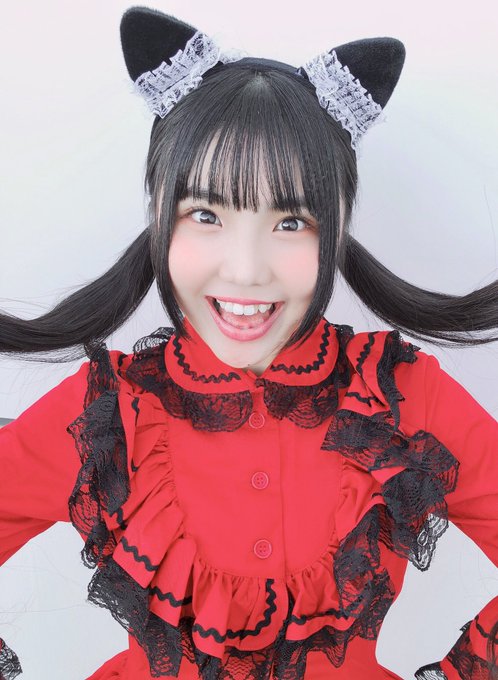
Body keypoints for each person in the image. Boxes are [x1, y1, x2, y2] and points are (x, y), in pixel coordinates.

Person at [1, 5, 497, 679]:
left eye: (290, 222)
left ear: (338, 226)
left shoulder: (401, 396)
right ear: (159, 215)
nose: (245, 269)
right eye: (206, 214)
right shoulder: (107, 411)